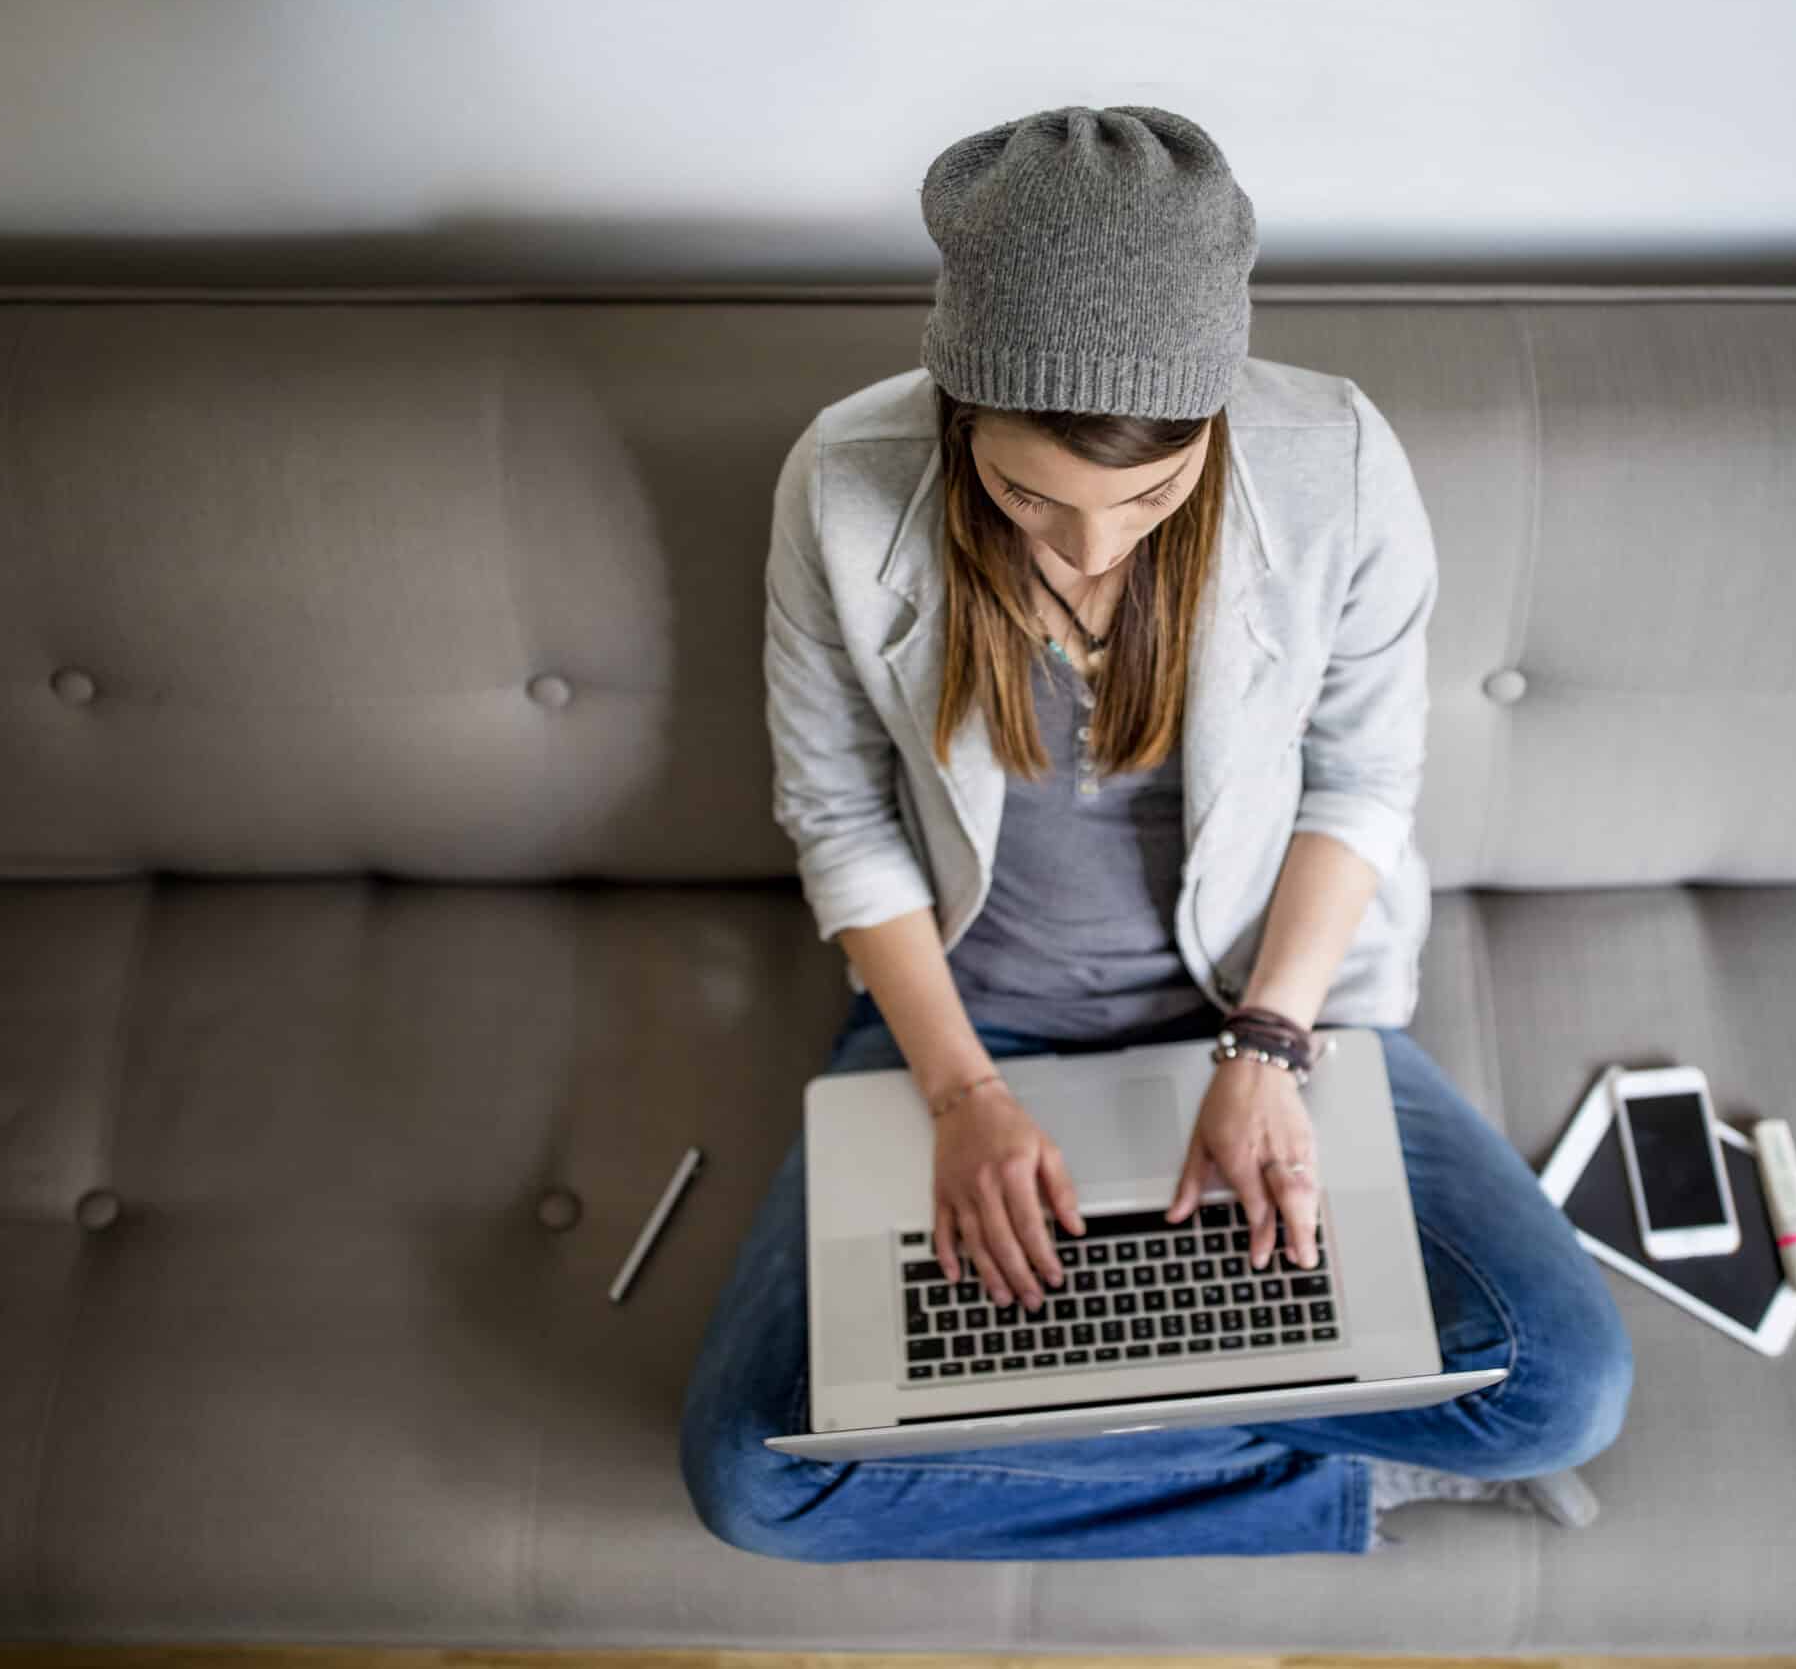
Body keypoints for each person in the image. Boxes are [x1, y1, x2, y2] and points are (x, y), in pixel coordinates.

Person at [680, 104, 1631, 1561]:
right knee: (754, 1479)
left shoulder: (1338, 464)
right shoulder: (844, 479)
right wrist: (960, 1097)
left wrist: (1268, 1045)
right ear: (955, 411)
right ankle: (1330, 1469)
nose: (1091, 549)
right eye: (1025, 496)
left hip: (1271, 1012)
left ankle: (1078, 1428)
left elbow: (1361, 786)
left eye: (1150, 493)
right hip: (967, 1018)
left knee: (1566, 1393)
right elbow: (837, 814)